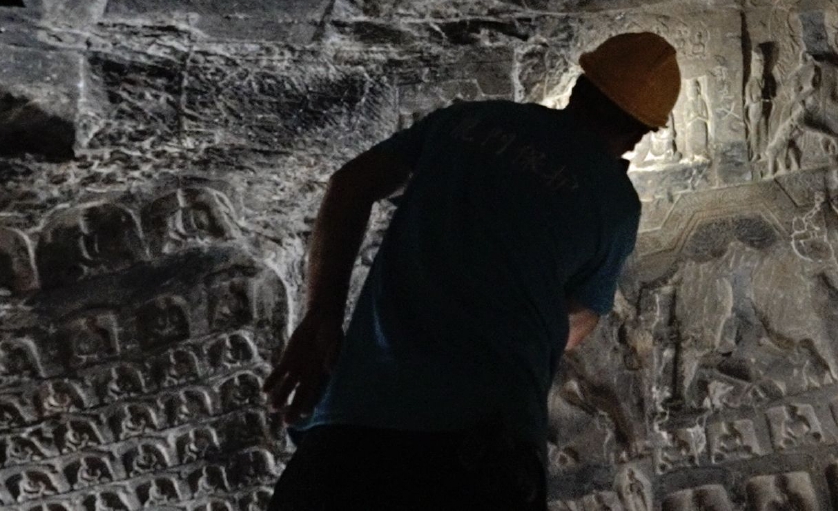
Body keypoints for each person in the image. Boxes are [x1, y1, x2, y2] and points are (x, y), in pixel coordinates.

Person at [264, 32, 679, 510]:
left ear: (580, 86)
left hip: (355, 426)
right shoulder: (615, 203)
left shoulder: (468, 121)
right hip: (480, 447)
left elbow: (351, 184)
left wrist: (321, 315)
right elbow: (578, 320)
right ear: (638, 135)